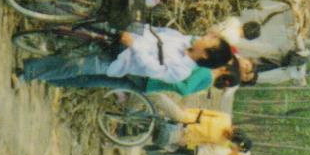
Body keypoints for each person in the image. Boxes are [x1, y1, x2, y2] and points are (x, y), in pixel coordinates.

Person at [17, 24, 233, 95]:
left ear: (205, 54)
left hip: (122, 59)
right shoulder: (185, 41)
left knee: (77, 66)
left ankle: (28, 72)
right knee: (83, 28)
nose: (206, 37)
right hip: (128, 36)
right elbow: (161, 32)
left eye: (210, 40)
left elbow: (153, 69)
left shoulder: (182, 71)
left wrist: (134, 45)